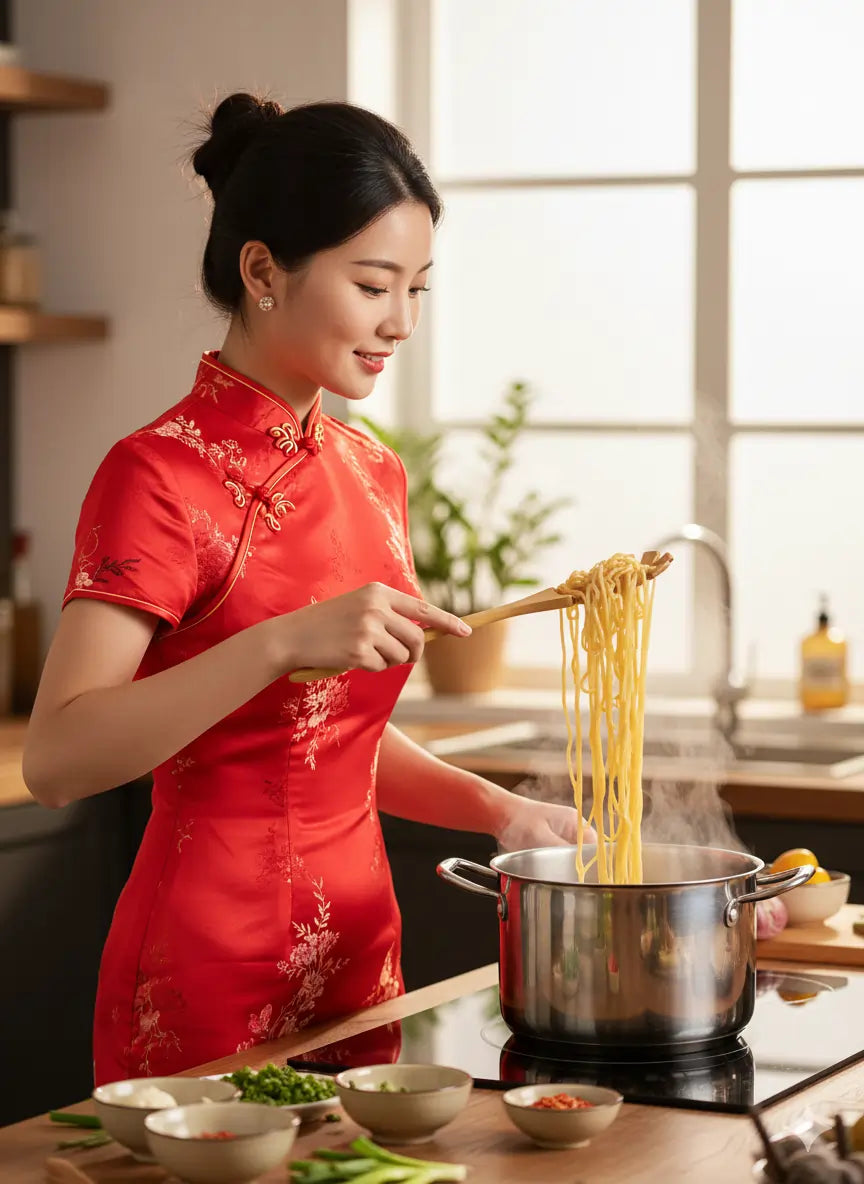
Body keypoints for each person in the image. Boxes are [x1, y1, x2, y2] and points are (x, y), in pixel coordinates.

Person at [23, 94, 588, 1084]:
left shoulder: (372, 471)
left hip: (361, 960)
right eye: (375, 284)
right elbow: (59, 757)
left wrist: (500, 811)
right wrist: (281, 639)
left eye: (419, 289)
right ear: (262, 270)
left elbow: (326, 739)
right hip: (204, 971)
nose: (401, 322)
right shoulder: (158, 475)